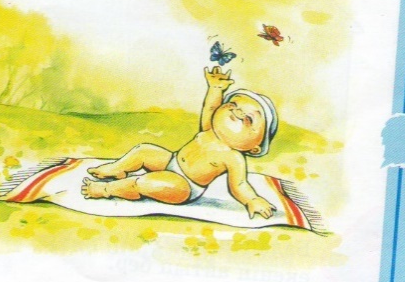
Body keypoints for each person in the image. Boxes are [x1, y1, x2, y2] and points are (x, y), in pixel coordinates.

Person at [81, 66, 279, 219]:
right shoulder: (208, 130)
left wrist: (252, 199)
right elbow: (210, 107)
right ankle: (116, 169)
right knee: (144, 150)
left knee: (146, 182)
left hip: (184, 186)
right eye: (232, 105)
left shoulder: (233, 157)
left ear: (255, 147)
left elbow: (240, 184)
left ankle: (107, 190)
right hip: (172, 162)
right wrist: (216, 89)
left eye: (248, 119)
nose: (237, 112)